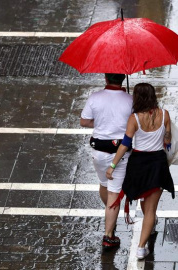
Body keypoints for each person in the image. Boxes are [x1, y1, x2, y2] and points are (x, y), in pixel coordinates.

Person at [106, 83, 175, 259]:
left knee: (144, 201)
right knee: (151, 208)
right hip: (157, 163)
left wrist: (112, 166)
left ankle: (146, 234)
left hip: (139, 163)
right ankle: (141, 247)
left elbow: (125, 145)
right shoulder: (164, 114)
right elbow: (167, 140)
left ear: (137, 98)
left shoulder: (134, 118)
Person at [80, 73, 133, 249]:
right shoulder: (130, 99)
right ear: (123, 78)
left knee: (104, 185)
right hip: (120, 153)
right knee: (114, 194)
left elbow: (84, 121)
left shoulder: (95, 97)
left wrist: (102, 122)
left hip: (99, 152)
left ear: (106, 78)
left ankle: (111, 212)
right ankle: (108, 236)